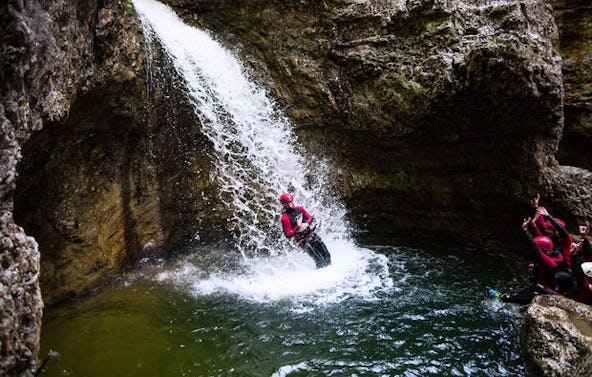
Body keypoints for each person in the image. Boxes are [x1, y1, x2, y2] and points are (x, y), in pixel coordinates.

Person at [279, 192, 331, 268]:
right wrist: (298, 227)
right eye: (289, 202)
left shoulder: (300, 209)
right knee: (319, 260)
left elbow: (310, 218)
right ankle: (320, 273)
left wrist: (306, 224)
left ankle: (330, 270)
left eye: (291, 201)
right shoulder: (285, 217)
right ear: (284, 204)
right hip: (303, 242)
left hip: (312, 236)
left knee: (327, 256)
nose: (291, 203)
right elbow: (288, 235)